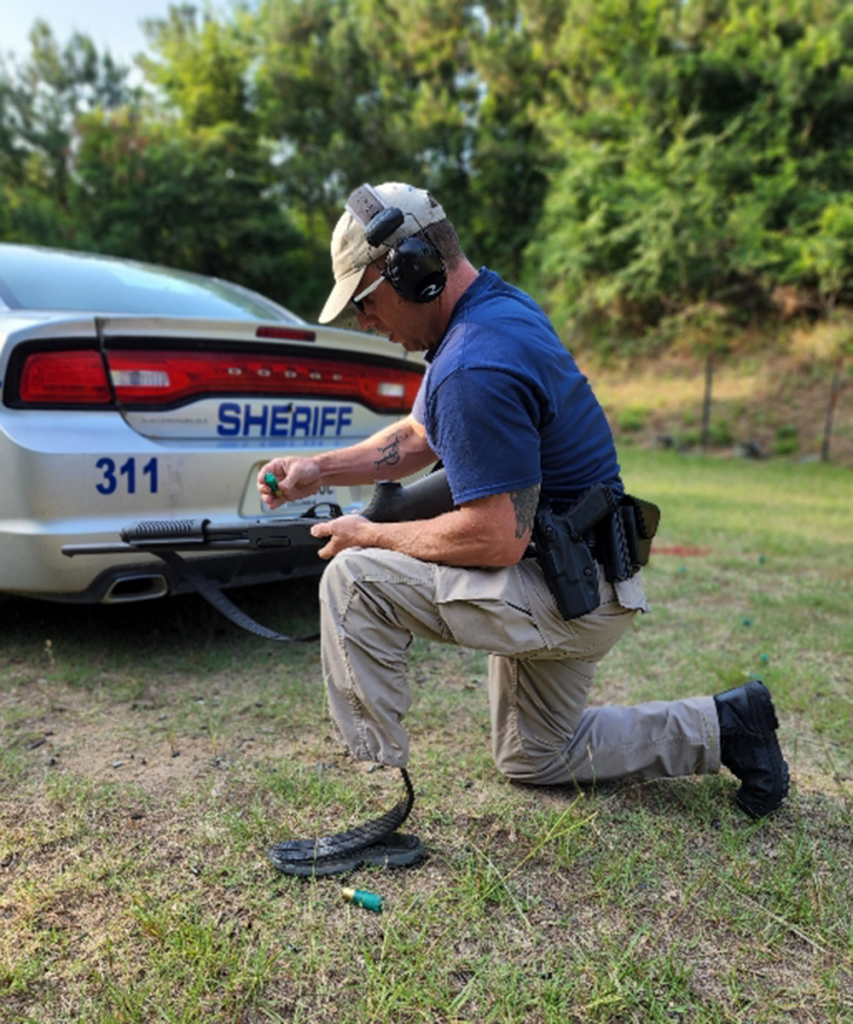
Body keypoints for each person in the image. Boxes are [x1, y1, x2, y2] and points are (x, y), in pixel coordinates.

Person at [258, 182, 789, 873]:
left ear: (411, 271)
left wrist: (370, 534)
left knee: (355, 579)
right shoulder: (492, 311)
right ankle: (727, 725)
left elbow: (493, 538)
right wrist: (318, 471)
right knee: (535, 757)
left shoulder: (472, 361)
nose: (365, 323)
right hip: (586, 581)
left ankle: (375, 797)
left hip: (559, 585)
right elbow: (423, 434)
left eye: (364, 303)